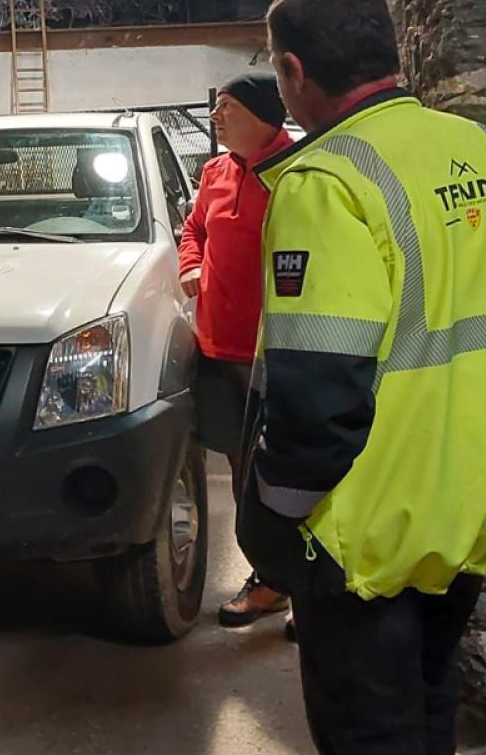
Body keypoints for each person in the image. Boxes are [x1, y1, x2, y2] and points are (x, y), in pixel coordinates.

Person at [237, 0, 486, 755]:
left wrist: (272, 524)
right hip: (476, 511)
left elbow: (319, 399)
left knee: (372, 733)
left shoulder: (327, 183)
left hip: (367, 538)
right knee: (429, 709)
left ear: (292, 72)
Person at [176, 74, 294, 630]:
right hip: (219, 347)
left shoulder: (297, 172)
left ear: (262, 114)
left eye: (226, 108)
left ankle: (308, 583)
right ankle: (270, 579)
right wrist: (192, 265)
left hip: (279, 353)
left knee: (294, 471)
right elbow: (193, 229)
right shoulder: (215, 172)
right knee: (242, 469)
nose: (216, 117)